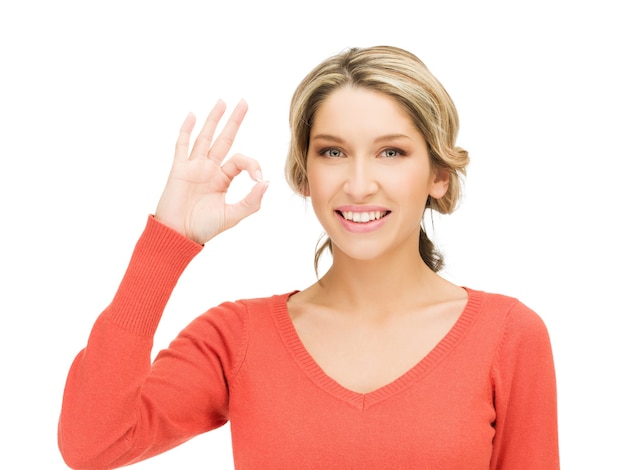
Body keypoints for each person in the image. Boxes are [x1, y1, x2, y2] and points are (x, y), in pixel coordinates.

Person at [58, 46, 559, 469]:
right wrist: (165, 243)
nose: (359, 185)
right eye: (332, 152)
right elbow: (94, 443)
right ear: (304, 175)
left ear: (439, 175)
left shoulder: (508, 335)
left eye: (392, 152)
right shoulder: (236, 338)